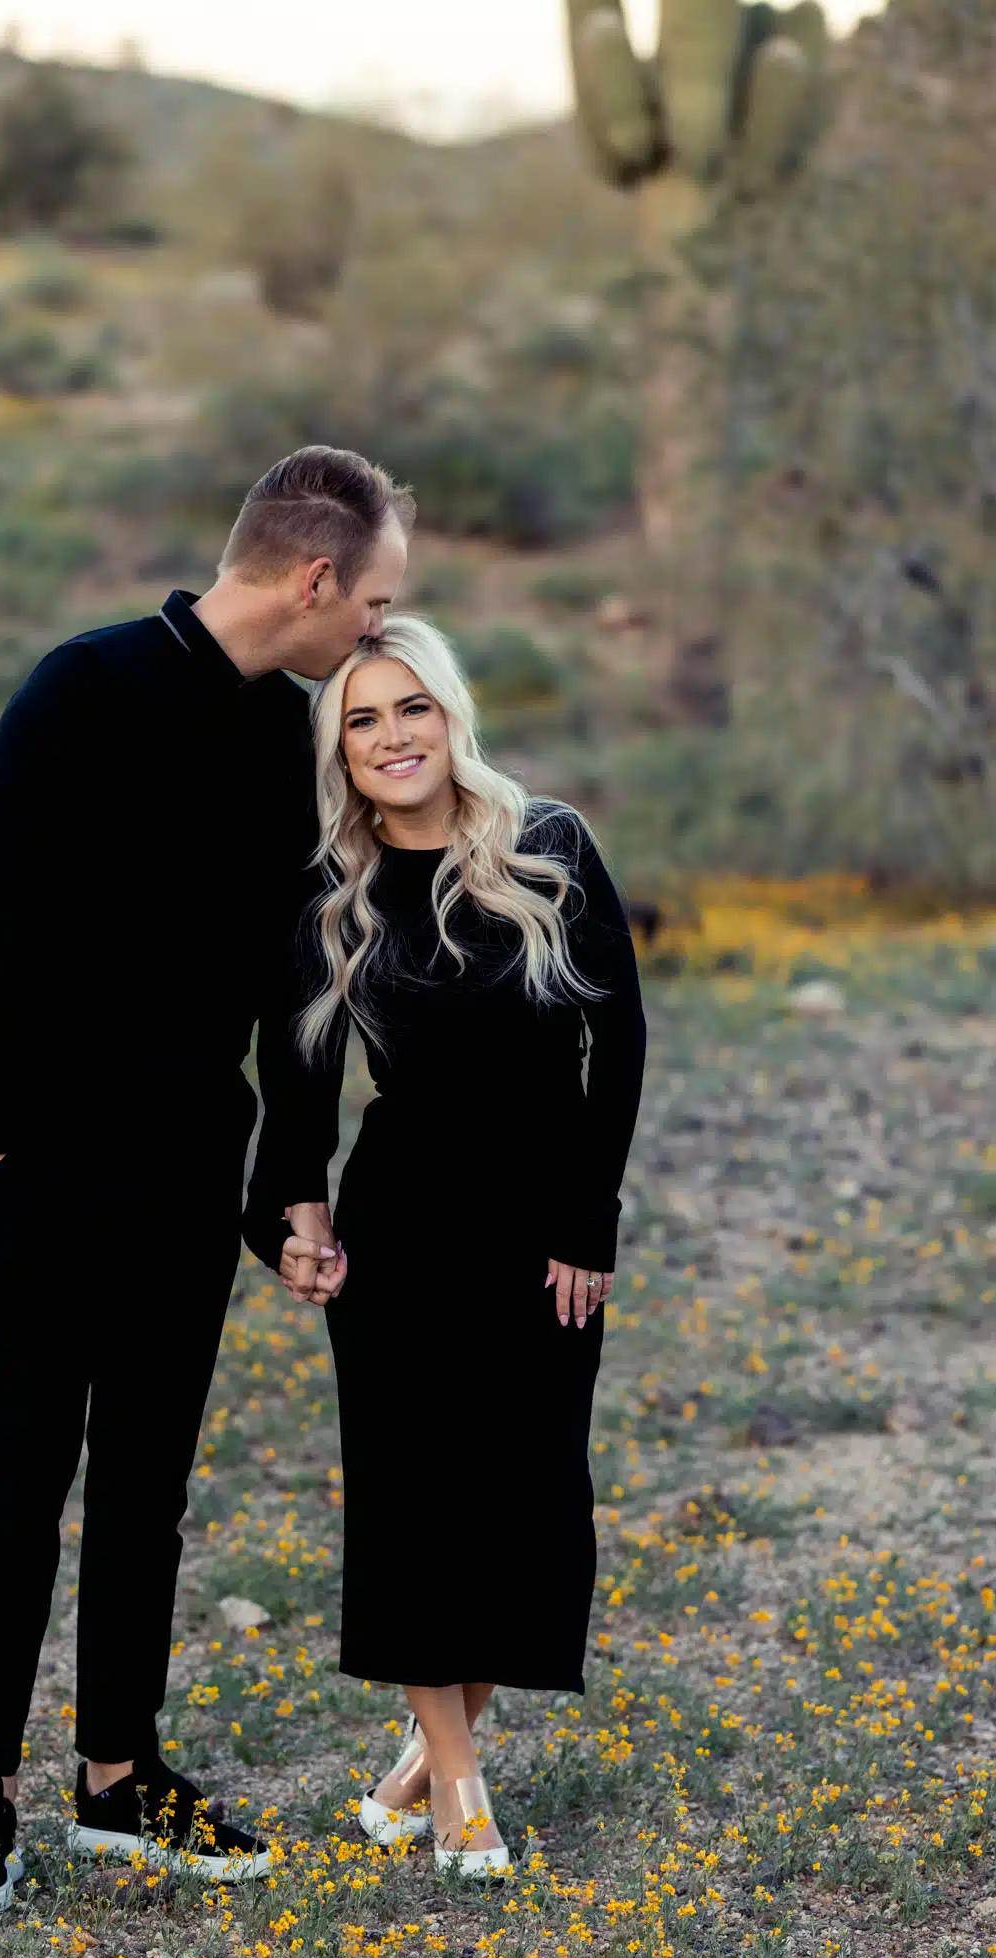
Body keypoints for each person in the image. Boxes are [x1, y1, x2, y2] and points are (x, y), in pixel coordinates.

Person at [0, 448, 411, 1914]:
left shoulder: (287, 738)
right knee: (20, 1476)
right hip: (54, 1162)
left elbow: (297, 981)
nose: (377, 634)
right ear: (312, 579)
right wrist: (1, 1135)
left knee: (149, 1486)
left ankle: (117, 1784)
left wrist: (281, 1183)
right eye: (375, 603)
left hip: (191, 1163)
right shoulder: (77, 690)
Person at [242, 614, 647, 1881]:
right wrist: (290, 1209)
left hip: (539, 1237)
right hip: (403, 1235)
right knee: (421, 1511)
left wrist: (591, 1220)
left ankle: (420, 1763)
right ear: (341, 753)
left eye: (410, 708)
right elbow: (296, 1073)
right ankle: (462, 1792)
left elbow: (616, 1043)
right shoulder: (328, 892)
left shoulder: (549, 846)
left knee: (529, 1507)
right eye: (361, 720)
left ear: (451, 715)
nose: (391, 736)